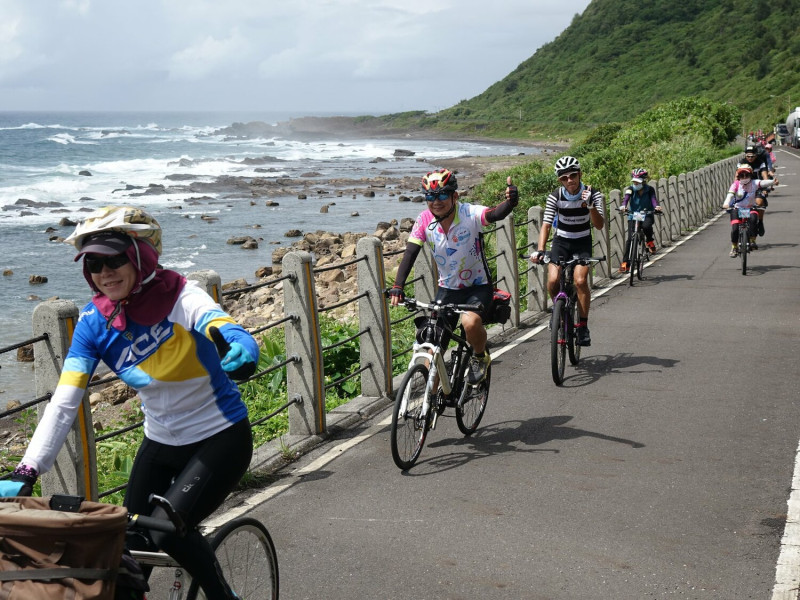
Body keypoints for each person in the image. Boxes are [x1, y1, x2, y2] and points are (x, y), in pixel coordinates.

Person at [0, 206, 259, 600]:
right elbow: (64, 403)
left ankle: (225, 597)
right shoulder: (93, 323)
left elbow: (214, 319)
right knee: (125, 547)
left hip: (219, 438)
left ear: (141, 257)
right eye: (94, 264)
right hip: (160, 443)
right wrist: (27, 469)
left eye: (116, 259)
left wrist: (239, 342)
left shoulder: (180, 295)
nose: (105, 273)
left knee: (165, 531)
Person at [388, 168, 518, 385]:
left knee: (470, 322)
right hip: (447, 290)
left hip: (477, 287)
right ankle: (429, 407)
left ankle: (479, 356)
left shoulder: (469, 214)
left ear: (454, 196)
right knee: (432, 346)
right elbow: (411, 252)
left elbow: (494, 214)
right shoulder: (424, 220)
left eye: (441, 195)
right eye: (429, 196)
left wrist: (511, 202)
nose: (435, 201)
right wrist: (398, 286)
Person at [530, 156, 605, 347]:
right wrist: (540, 250)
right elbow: (546, 225)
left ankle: (582, 326)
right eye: (564, 178)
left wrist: (590, 206)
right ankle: (558, 313)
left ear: (579, 175)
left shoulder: (592, 194)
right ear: (560, 180)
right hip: (561, 242)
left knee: (580, 281)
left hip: (582, 242)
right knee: (553, 280)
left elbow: (599, 225)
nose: (569, 180)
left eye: (573, 175)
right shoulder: (555, 196)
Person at [723, 164, 774, 256]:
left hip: (750, 208)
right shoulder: (735, 184)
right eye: (742, 175)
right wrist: (726, 204)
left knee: (754, 219)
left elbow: (763, 183)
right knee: (735, 229)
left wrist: (773, 181)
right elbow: (730, 195)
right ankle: (734, 247)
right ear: (738, 176)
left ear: (750, 175)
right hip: (737, 209)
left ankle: (752, 240)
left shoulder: (754, 183)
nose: (744, 177)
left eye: (746, 175)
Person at [619, 168, 662, 273]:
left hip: (646, 214)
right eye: (634, 181)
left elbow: (653, 200)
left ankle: (650, 241)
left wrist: (656, 207)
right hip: (634, 215)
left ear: (644, 180)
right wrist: (623, 206)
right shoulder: (630, 189)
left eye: (637, 182)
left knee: (647, 226)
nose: (635, 183)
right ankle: (625, 263)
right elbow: (626, 198)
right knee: (630, 239)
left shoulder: (650, 189)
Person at [742, 144, 771, 236]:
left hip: (758, 186)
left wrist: (766, 187)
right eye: (748, 156)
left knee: (759, 203)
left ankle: (760, 222)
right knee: (742, 204)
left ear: (756, 155)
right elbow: (736, 177)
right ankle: (743, 225)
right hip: (745, 187)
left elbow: (764, 176)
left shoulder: (760, 162)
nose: (750, 158)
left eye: (752, 156)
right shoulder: (741, 162)